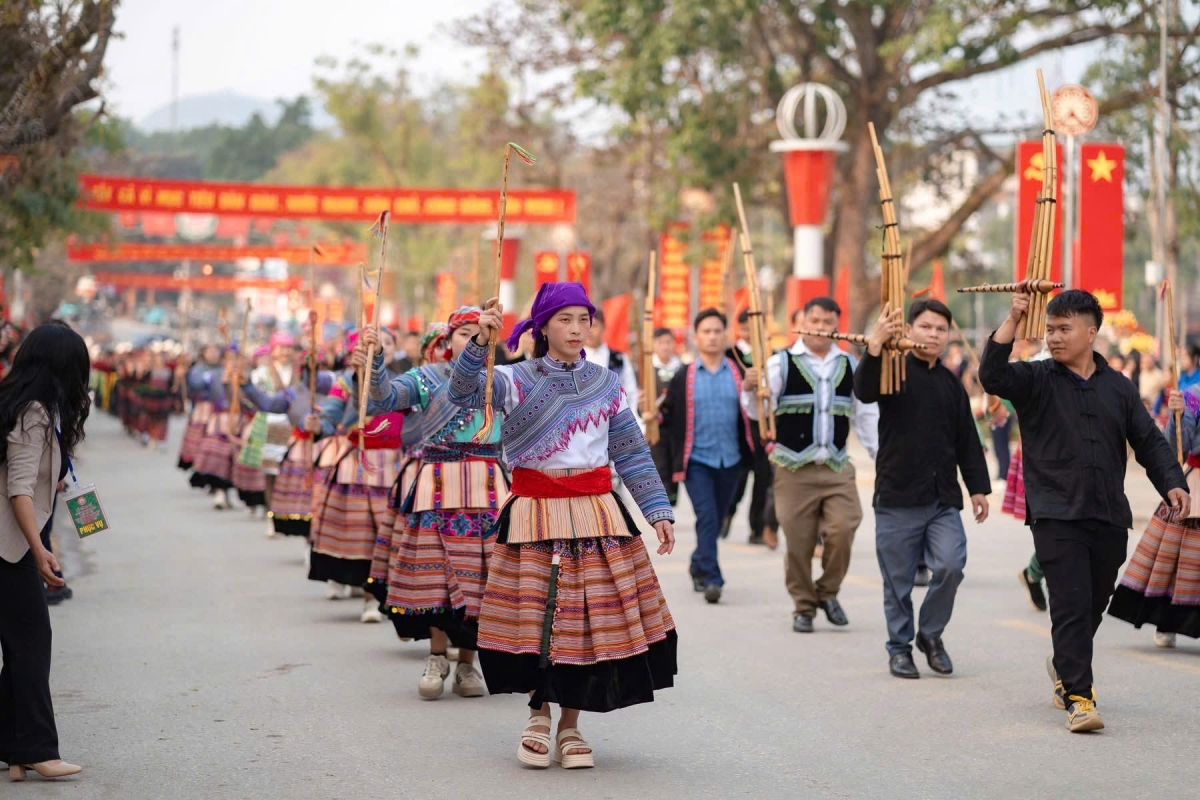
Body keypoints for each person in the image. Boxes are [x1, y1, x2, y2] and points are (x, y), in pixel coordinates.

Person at [448, 282, 676, 770]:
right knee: (536, 619)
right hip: (533, 513)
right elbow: (462, 393)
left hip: (596, 513)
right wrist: (480, 344)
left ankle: (571, 726)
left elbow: (631, 453)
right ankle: (537, 714)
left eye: (583, 319)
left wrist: (658, 512)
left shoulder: (607, 383)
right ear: (543, 326)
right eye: (565, 319)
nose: (576, 329)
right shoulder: (512, 378)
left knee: (585, 619)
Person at [979, 288, 1188, 733]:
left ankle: (1063, 663)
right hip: (1055, 512)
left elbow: (1148, 441)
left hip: (1109, 513)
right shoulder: (1034, 379)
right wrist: (1012, 321)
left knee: (1094, 600)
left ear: (1091, 332)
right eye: (1050, 329)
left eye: (1063, 329)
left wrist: (1173, 482)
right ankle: (1079, 696)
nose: (1053, 337)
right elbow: (991, 375)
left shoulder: (1120, 387)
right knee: (1071, 604)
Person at [362, 308, 503, 700]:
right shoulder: (425, 378)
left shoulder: (502, 379)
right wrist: (375, 360)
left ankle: (467, 665)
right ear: (447, 340)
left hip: (487, 487)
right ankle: (437, 655)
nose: (475, 339)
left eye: (483, 333)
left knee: (481, 577)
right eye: (466, 333)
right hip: (436, 485)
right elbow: (383, 399)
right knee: (437, 573)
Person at [855, 299, 991, 680]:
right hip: (897, 497)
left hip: (942, 498)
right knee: (897, 583)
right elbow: (864, 392)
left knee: (950, 565)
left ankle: (930, 635)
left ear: (948, 335)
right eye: (926, 327)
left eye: (941, 329)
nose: (933, 334)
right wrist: (876, 346)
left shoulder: (951, 382)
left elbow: (966, 437)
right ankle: (899, 649)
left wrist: (978, 487)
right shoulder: (891, 372)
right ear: (910, 330)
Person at [744, 298, 878, 632]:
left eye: (827, 321)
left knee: (845, 527)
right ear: (801, 320)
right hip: (792, 469)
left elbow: (865, 416)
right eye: (813, 319)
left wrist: (881, 457)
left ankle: (827, 591)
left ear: (837, 324)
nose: (819, 326)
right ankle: (803, 606)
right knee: (799, 541)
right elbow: (755, 411)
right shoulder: (780, 364)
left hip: (836, 467)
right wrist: (749, 391)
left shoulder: (851, 364)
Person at [0, 321, 90, 782]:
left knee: (21, 647)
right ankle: (36, 748)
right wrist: (40, 550)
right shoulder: (31, 413)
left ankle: (17, 750)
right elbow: (17, 490)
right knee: (31, 645)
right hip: (8, 548)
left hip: (11, 546)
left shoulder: (35, 408)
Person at [305, 329, 403, 623]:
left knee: (389, 538)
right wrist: (316, 425)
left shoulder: (404, 382)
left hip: (395, 466)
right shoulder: (344, 383)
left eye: (386, 343)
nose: (380, 348)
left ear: (393, 349)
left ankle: (386, 597)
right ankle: (368, 598)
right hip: (357, 468)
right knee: (362, 537)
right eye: (374, 344)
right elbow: (331, 416)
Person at [660, 309, 753, 605]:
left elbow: (752, 414)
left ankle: (699, 563)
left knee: (717, 515)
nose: (712, 336)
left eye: (717, 331)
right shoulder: (683, 376)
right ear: (696, 337)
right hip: (697, 460)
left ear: (726, 336)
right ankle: (713, 578)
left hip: (732, 459)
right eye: (706, 331)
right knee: (708, 515)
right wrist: (651, 412)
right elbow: (667, 415)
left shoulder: (740, 373)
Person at [1109, 385, 1200, 648]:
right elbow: (1177, 445)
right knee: (1176, 561)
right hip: (1196, 484)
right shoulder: (1193, 396)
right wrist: (1178, 416)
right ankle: (1167, 620)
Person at [724, 308, 778, 546]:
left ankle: (758, 527)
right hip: (736, 424)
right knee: (739, 476)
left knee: (764, 477)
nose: (749, 333)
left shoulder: (773, 356)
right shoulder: (729, 354)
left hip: (762, 425)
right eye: (745, 328)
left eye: (754, 328)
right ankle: (727, 512)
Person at [583, 308, 639, 412]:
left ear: (603, 327)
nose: (589, 331)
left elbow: (630, 392)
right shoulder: (572, 358)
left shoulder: (618, 358)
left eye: (594, 326)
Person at [648, 328, 681, 505]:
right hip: (655, 426)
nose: (665, 346)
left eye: (668, 342)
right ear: (654, 344)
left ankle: (672, 495)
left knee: (674, 461)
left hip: (675, 425)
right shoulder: (647, 368)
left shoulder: (681, 368)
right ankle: (662, 500)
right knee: (659, 463)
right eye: (661, 342)